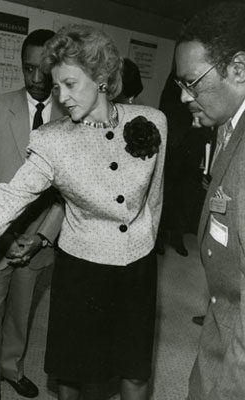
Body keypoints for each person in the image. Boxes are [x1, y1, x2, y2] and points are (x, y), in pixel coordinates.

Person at [0, 24, 167, 400]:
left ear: (102, 78)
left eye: (70, 84)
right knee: (73, 373)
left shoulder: (153, 123)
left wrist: (145, 244)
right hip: (82, 267)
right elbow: (6, 200)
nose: (62, 96)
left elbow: (154, 201)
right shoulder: (51, 141)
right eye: (57, 87)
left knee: (134, 372)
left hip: (137, 267)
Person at [0, 29, 65, 400]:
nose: (36, 80)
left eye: (44, 70)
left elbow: (66, 194)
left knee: (22, 313)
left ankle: (11, 367)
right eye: (28, 70)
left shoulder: (70, 117)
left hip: (38, 241)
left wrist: (41, 237)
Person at [174, 2, 245, 398]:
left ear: (238, 68)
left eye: (192, 83)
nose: (185, 98)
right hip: (221, 332)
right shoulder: (227, 125)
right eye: (179, 86)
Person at [156, 70, 213, 257]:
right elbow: (166, 107)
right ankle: (160, 237)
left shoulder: (205, 77)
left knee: (186, 194)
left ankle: (177, 236)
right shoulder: (177, 76)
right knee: (167, 191)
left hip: (195, 147)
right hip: (175, 146)